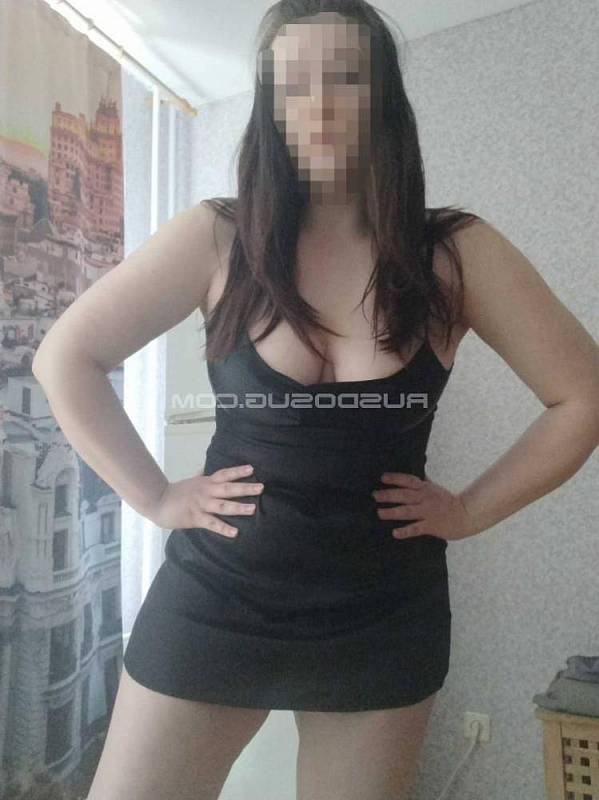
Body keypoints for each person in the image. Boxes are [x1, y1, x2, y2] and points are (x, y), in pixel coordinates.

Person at [32, 2, 599, 800]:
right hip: (214, 597)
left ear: (383, 96)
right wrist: (154, 496)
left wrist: (470, 510)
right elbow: (65, 358)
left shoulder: (454, 252)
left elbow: (581, 397)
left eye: (344, 78)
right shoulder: (216, 237)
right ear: (269, 106)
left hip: (380, 613)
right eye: (292, 85)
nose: (319, 106)